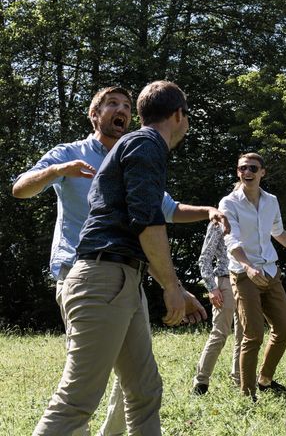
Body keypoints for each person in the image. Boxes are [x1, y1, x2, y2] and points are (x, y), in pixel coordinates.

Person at [13, 86, 223, 436]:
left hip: (126, 274)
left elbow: (161, 213)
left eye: (126, 104)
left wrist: (207, 213)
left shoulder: (133, 149)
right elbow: (147, 222)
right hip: (91, 273)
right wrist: (171, 286)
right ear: (178, 116)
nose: (120, 109)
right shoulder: (132, 147)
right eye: (112, 103)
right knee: (78, 397)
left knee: (143, 390)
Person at [220, 152, 286, 399]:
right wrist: (247, 266)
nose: (248, 172)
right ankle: (247, 393)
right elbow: (230, 239)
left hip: (270, 272)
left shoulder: (271, 201)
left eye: (253, 168)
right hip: (244, 275)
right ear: (238, 172)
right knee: (253, 334)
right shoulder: (229, 203)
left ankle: (264, 379)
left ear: (262, 172)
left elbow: (278, 232)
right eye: (242, 168)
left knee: (285, 329)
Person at [191, 220, 243, 395]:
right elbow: (205, 258)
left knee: (244, 336)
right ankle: (201, 383)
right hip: (225, 281)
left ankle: (239, 381)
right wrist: (212, 288)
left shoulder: (252, 217)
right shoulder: (218, 222)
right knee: (220, 333)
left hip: (247, 283)